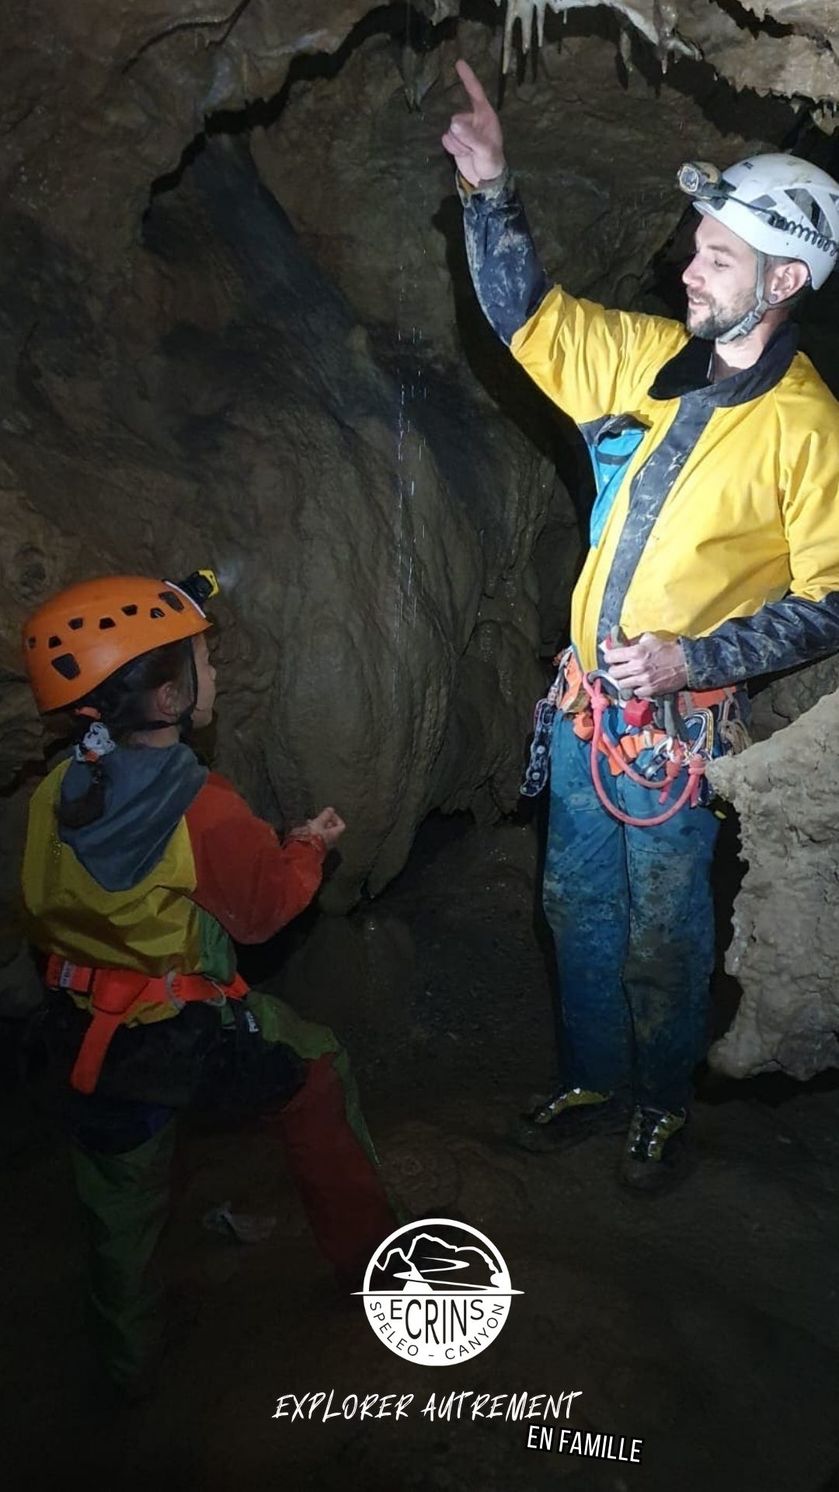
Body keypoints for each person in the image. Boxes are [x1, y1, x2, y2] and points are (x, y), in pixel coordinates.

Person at [443, 60, 839, 1189]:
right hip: (582, 713)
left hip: (675, 727)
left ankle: (659, 1098)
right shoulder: (642, 360)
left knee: (663, 925)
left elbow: (827, 596)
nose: (687, 266)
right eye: (694, 244)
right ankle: (593, 1073)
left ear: (782, 280)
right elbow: (528, 314)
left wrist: (692, 656)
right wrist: (488, 190)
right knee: (571, 900)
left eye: (717, 256)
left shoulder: (805, 429)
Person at [19, 569, 396, 1393]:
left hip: (81, 1035)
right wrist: (305, 847)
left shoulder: (61, 787)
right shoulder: (200, 805)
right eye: (200, 662)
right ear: (164, 700)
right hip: (176, 1034)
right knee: (317, 1068)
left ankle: (127, 1368)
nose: (215, 675)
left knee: (120, 1202)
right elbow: (260, 912)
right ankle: (372, 1268)